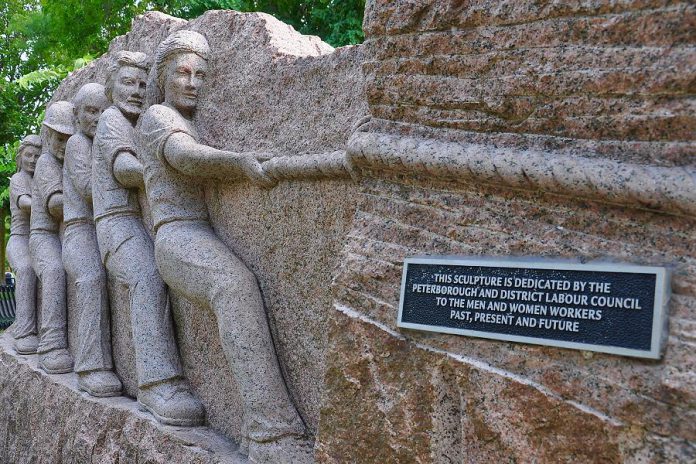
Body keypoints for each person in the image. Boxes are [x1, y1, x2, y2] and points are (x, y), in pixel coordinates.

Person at [139, 30, 305, 460]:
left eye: (200, 74)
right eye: (182, 73)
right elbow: (185, 157)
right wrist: (239, 164)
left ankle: (266, 428)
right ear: (163, 76)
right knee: (234, 287)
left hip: (201, 231)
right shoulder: (158, 117)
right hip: (176, 237)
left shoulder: (192, 119)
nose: (192, 82)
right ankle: (270, 433)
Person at [92, 50, 203, 425]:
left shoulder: (141, 123)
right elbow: (123, 170)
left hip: (139, 221)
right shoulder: (111, 121)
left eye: (142, 84)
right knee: (148, 274)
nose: (136, 91)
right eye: (127, 82)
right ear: (111, 88)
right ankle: (156, 384)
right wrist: (161, 168)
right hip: (115, 221)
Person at [63, 83, 122, 396]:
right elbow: (88, 188)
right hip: (79, 230)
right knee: (91, 277)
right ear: (77, 115)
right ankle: (89, 366)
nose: (97, 118)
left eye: (103, 111)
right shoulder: (77, 144)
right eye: (90, 111)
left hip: (101, 228)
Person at [29, 101, 74, 373]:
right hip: (43, 236)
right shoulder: (46, 163)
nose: (63, 145)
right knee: (55, 271)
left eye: (69, 139)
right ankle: (50, 344)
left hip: (61, 235)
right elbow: (56, 205)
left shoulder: (69, 161)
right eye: (59, 138)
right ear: (47, 136)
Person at [7, 135, 41, 354]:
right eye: (28, 155)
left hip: (37, 239)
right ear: (20, 157)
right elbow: (25, 203)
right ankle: (24, 332)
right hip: (20, 239)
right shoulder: (18, 180)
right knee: (27, 270)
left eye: (37, 156)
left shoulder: (40, 179)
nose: (32, 160)